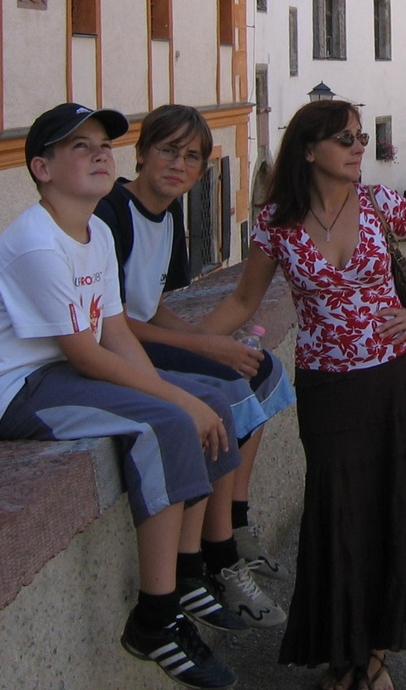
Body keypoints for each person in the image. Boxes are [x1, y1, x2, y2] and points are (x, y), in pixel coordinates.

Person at [0, 103, 243, 688]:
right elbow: (87, 353)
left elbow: (115, 332)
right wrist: (173, 402)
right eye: (80, 147)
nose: (99, 154)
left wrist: (176, 391)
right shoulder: (38, 244)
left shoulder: (91, 231)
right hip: (16, 391)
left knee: (212, 405)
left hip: (61, 374)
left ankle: (189, 571)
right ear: (42, 168)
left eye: (102, 145)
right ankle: (155, 617)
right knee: (165, 424)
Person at [203, 100, 406, 690]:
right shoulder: (276, 223)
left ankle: (371, 659)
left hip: (394, 383)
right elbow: (243, 302)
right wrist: (187, 346)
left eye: (360, 137)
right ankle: (347, 657)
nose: (358, 147)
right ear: (308, 149)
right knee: (340, 517)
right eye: (345, 138)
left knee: (395, 511)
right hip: (329, 392)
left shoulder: (379, 204)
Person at [93, 104, 294, 626]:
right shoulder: (112, 212)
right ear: (140, 154)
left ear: (202, 170)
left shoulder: (168, 215)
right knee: (226, 387)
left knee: (263, 370)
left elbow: (152, 304)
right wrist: (206, 349)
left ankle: (236, 519)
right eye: (167, 151)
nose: (178, 165)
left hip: (140, 334)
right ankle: (215, 555)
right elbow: (109, 322)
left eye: (191, 157)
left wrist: (204, 339)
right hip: (111, 348)